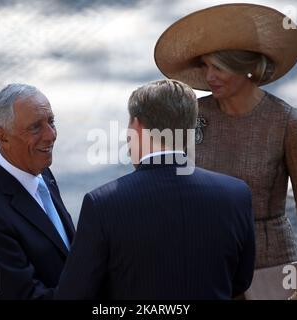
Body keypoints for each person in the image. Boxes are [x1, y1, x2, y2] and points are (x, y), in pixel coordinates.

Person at [154, 3, 297, 299]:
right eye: (206, 66)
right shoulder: (192, 114)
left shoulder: (285, 121)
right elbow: (167, 188)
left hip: (271, 266)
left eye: (219, 67)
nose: (209, 76)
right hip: (206, 264)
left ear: (247, 69)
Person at [55, 79, 255, 300]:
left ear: (137, 126)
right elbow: (241, 280)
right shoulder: (237, 194)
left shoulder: (102, 204)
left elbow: (73, 294)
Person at [0, 84, 75, 299]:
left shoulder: (41, 172)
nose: (50, 135)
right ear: (2, 137)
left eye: (51, 121)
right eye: (35, 127)